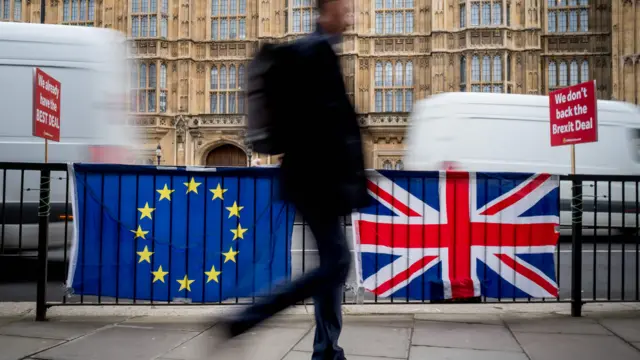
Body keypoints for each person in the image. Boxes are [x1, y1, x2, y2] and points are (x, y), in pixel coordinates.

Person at [220, 0, 370, 359]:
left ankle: (326, 348)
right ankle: (247, 318)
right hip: (317, 180)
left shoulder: (318, 50)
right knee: (335, 264)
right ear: (325, 11)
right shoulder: (313, 52)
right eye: (343, 9)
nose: (349, 16)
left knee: (333, 265)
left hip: (318, 180)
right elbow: (322, 125)